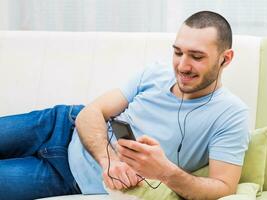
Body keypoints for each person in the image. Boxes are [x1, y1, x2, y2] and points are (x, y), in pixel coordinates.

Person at [0, 11, 249, 200]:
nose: (182, 66)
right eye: (177, 52)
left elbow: (223, 186)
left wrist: (165, 172)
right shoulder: (155, 73)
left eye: (196, 57)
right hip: (59, 125)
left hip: (67, 178)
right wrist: (109, 161)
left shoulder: (230, 114)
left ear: (225, 59)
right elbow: (91, 112)